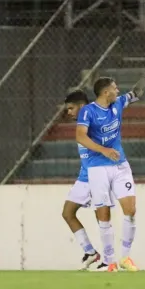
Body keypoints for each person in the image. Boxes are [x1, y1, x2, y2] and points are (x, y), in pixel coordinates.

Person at [75, 54, 145, 272]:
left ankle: (125, 257)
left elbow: (138, 92)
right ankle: (110, 261)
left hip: (120, 165)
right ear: (105, 92)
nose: (118, 90)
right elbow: (81, 136)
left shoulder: (119, 104)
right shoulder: (88, 111)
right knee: (104, 215)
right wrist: (104, 150)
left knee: (130, 210)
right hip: (97, 168)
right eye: (114, 88)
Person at [62, 90, 101, 270]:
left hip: (96, 177)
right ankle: (90, 252)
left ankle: (109, 260)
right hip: (84, 177)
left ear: (82, 106)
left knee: (102, 218)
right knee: (68, 213)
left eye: (71, 108)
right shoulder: (82, 124)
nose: (69, 112)